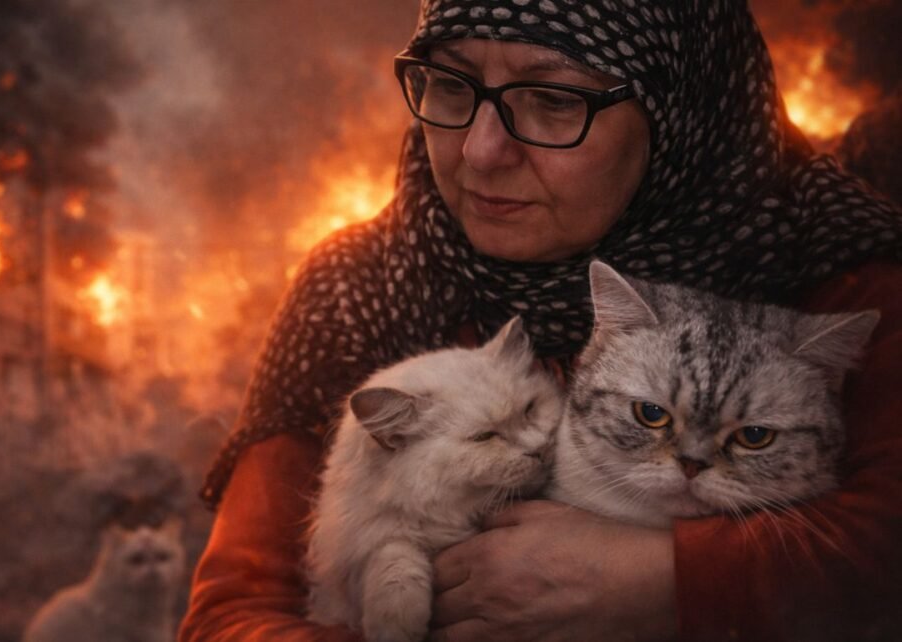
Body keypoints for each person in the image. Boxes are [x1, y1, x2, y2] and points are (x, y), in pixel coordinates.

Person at [180, 1, 902, 640]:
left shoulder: (840, 268)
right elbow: (231, 616)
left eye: (554, 100)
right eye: (452, 85)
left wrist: (661, 584)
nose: (480, 151)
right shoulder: (356, 288)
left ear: (677, 105)